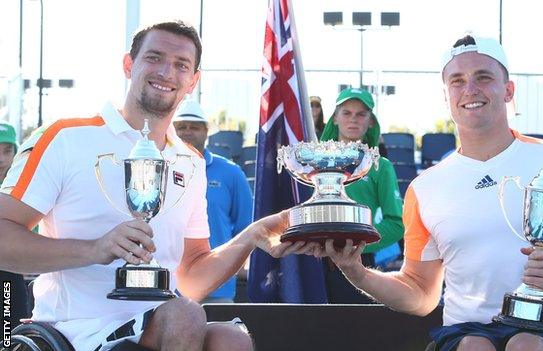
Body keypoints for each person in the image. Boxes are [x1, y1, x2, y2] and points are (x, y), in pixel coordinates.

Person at [0, 20, 316, 351]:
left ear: (193, 81)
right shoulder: (64, 138)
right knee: (186, 314)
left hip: (160, 324)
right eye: (154, 57)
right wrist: (95, 248)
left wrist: (250, 237)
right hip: (71, 330)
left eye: (181, 65)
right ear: (128, 65)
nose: (167, 71)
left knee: (230, 339)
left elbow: (190, 279)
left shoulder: (191, 161)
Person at [313, 35, 543, 350]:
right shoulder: (425, 188)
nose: (470, 89)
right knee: (474, 347)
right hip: (467, 331)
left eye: (483, 77)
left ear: (509, 90)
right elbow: (420, 293)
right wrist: (357, 272)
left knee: (525, 345)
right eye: (457, 81)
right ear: (446, 97)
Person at [318, 87, 404, 303]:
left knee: (353, 331)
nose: (353, 119)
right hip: (310, 260)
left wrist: (352, 242)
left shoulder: (380, 166)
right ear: (335, 119)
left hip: (358, 263)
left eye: (361, 114)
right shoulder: (309, 162)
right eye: (346, 113)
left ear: (371, 122)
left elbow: (396, 224)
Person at [173, 100, 253, 303]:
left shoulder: (231, 172)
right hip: (168, 288)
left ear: (207, 131)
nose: (188, 132)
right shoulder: (155, 167)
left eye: (195, 127)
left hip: (218, 287)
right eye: (181, 127)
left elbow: (245, 229)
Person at [0, 122, 28, 330]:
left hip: (15, 273)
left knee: (10, 332)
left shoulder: (27, 182)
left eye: (7, 150)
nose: (1, 158)